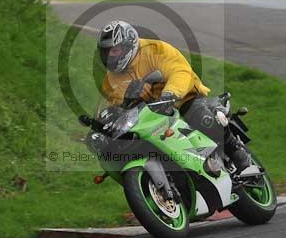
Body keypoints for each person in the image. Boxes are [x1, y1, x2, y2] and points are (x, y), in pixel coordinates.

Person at [97, 20, 252, 173]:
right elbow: (114, 105)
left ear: (128, 45)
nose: (110, 56)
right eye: (106, 52)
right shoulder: (109, 81)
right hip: (149, 116)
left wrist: (169, 94)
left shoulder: (156, 50)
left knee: (201, 117)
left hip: (182, 98)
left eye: (114, 51)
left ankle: (236, 150)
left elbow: (180, 71)